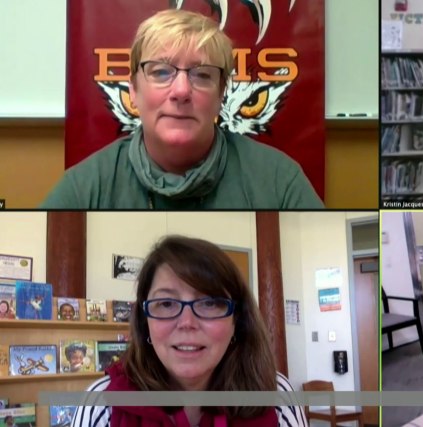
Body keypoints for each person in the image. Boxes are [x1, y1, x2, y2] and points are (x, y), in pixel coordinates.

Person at [41, 9, 323, 209]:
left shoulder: (280, 181)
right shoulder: (84, 187)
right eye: (161, 72)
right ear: (134, 89)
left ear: (222, 92)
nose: (181, 91)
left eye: (202, 75)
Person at [72, 235, 306, 427]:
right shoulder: (100, 403)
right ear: (145, 323)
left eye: (209, 303)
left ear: (237, 320)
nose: (187, 322)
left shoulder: (276, 394)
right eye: (166, 304)